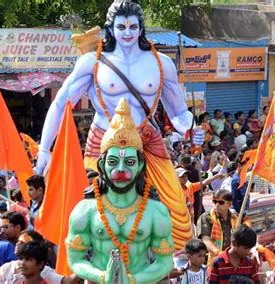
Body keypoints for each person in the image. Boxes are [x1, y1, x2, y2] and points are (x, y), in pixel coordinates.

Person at [35, 0, 202, 248]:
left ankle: (171, 266)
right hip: (103, 141)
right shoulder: (93, 62)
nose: (127, 33)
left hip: (147, 138)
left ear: (141, 29)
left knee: (176, 213)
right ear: (110, 29)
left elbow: (178, 111)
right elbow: (60, 104)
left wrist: (189, 129)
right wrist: (45, 149)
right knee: (90, 210)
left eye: (133, 27)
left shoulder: (161, 64)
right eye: (121, 26)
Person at [66, 99, 174, 282]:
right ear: (102, 165)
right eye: (113, 162)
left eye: (130, 162)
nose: (121, 169)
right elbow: (75, 260)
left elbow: (165, 263)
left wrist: (132, 280)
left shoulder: (156, 211)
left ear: (140, 165)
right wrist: (101, 277)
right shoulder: (85, 210)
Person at [0, 230, 79, 284]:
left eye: (28, 259)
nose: (23, 263)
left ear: (40, 264)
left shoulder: (46, 272)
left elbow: (64, 281)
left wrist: (82, 268)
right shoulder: (6, 268)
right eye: (21, 258)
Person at [197, 190, 239, 267]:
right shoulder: (207, 217)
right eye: (214, 201)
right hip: (214, 262)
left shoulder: (235, 218)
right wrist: (219, 253)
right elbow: (206, 240)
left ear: (229, 204)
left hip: (233, 261)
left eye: (221, 202)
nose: (216, 204)